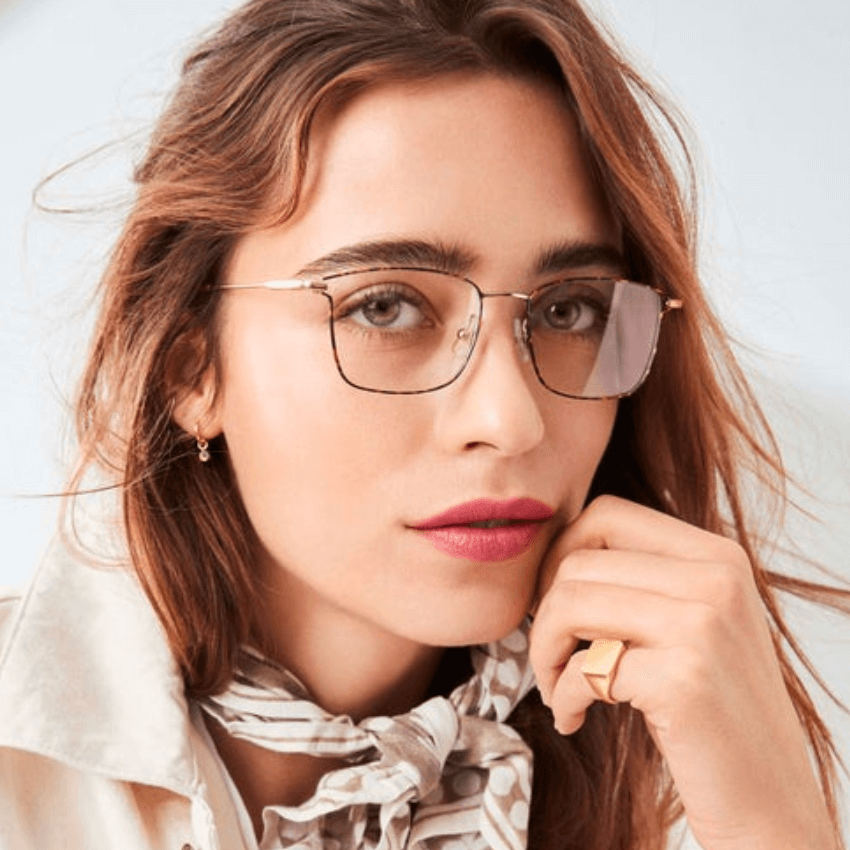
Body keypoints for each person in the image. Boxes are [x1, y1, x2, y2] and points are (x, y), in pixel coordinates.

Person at [0, 0, 846, 848]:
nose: (509, 419)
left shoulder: (691, 750)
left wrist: (773, 819)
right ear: (194, 369)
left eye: (570, 309)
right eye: (385, 306)